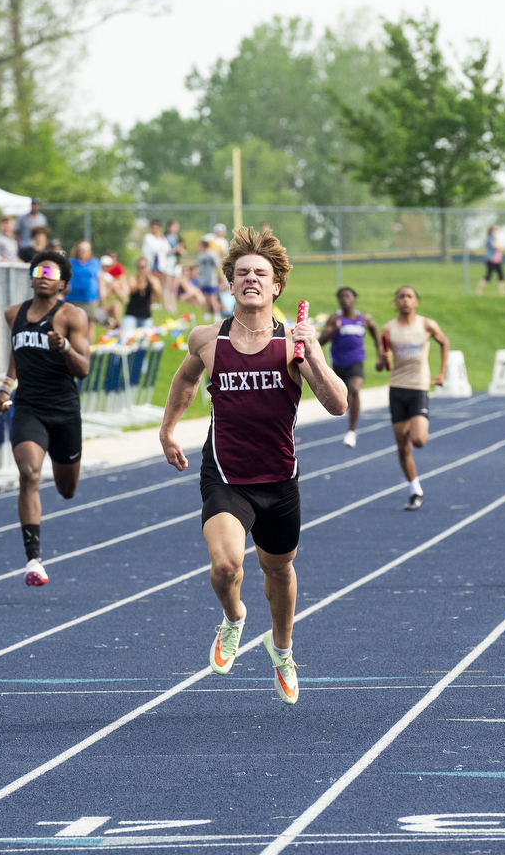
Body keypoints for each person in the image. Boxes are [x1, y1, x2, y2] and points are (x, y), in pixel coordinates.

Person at [158, 226, 347, 705]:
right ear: (229, 282)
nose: (251, 280)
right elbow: (184, 380)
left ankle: (281, 650)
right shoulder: (208, 338)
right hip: (226, 474)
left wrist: (313, 360)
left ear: (276, 285)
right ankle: (235, 617)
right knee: (225, 566)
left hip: (279, 479)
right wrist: (168, 428)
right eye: (242, 273)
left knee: (279, 571)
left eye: (260, 273)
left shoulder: (294, 343)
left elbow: (338, 404)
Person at [0, 251, 91, 586]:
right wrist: (5, 389)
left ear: (62, 283)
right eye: (39, 270)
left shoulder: (72, 316)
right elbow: (15, 356)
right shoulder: (13, 314)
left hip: (64, 411)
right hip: (29, 408)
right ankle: (33, 559)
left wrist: (63, 346)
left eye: (51, 272)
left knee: (66, 489)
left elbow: (84, 369)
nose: (43, 275)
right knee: (28, 473)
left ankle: (60, 471)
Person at [378, 286, 450, 510]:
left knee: (418, 440)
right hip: (397, 389)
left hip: (419, 387)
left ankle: (413, 424)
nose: (405, 300)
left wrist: (441, 373)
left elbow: (444, 342)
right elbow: (380, 365)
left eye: (409, 297)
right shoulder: (388, 329)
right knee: (402, 447)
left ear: (416, 301)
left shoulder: (427, 324)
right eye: (401, 297)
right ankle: (415, 490)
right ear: (395, 302)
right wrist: (383, 358)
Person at [319, 286, 381, 448]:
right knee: (344, 398)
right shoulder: (335, 319)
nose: (344, 299)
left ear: (354, 299)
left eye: (348, 296)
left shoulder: (364, 319)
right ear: (338, 300)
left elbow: (375, 330)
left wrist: (380, 349)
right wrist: (333, 329)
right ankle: (350, 407)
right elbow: (321, 341)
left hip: (356, 361)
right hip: (339, 363)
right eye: (341, 297)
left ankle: (351, 431)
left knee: (355, 387)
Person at [67, 240, 108, 332]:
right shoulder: (71, 262)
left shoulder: (95, 262)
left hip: (90, 299)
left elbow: (100, 280)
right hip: (72, 298)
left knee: (89, 325)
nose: (83, 252)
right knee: (73, 324)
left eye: (85, 250)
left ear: (90, 251)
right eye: (81, 250)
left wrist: (103, 297)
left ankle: (89, 346)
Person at [115, 256, 161, 338]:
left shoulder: (153, 280)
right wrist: (140, 281)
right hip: (131, 313)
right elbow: (132, 289)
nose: (142, 270)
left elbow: (158, 292)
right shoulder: (133, 278)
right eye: (140, 267)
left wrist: (149, 278)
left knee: (144, 343)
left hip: (145, 315)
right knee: (125, 338)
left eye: (144, 267)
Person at [141, 220, 175, 312]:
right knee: (151, 284)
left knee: (159, 283)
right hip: (151, 263)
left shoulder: (162, 238)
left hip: (160, 265)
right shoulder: (148, 237)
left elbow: (167, 249)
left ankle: (157, 302)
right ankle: (151, 302)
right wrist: (159, 240)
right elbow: (154, 249)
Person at [195, 236, 222, 321]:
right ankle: (206, 314)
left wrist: (221, 275)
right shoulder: (200, 256)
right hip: (203, 280)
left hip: (211, 280)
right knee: (205, 298)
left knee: (213, 298)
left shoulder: (212, 254)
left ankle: (216, 314)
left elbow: (218, 265)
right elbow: (197, 267)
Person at [475, 225, 504, 296]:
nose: (496, 232)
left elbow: (501, 248)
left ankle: (501, 293)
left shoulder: (496, 239)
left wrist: (498, 243)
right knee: (488, 276)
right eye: (495, 231)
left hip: (498, 260)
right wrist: (497, 242)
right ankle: (478, 291)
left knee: (501, 277)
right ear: (491, 232)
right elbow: (496, 247)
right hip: (491, 260)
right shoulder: (490, 239)